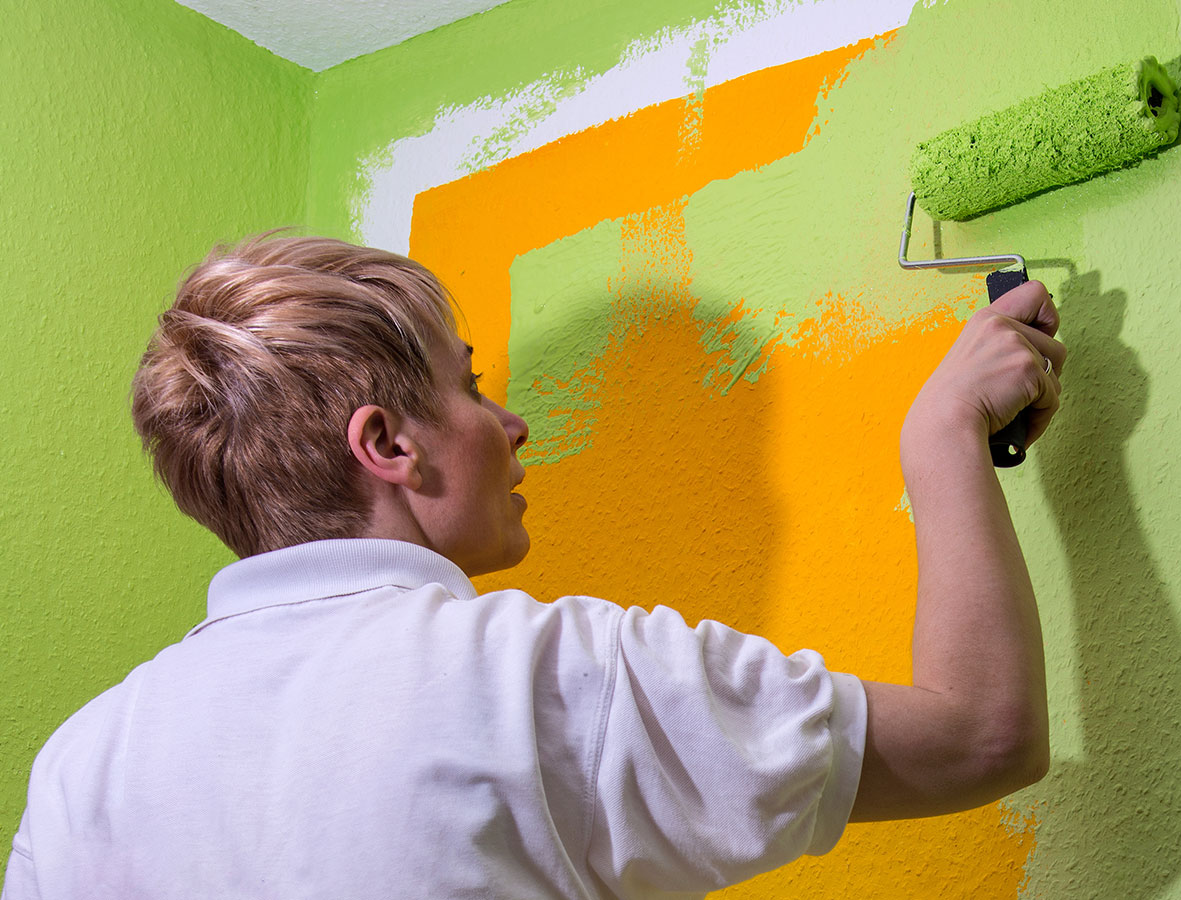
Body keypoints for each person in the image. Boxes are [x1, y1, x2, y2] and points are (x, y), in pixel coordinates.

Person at [2, 234, 1064, 899]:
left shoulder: (80, 765)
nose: (510, 425)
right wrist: (943, 435)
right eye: (468, 387)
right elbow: (981, 738)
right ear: (388, 446)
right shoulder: (546, 676)